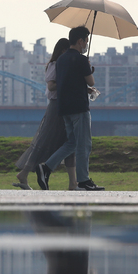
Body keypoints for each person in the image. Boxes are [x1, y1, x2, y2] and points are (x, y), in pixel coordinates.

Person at [35, 26, 105, 191]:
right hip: (79, 107)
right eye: (86, 41)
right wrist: (87, 67)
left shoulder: (61, 59)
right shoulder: (80, 60)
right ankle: (83, 181)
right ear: (80, 41)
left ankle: (46, 167)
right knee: (84, 144)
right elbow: (91, 82)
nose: (86, 44)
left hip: (64, 107)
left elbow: (69, 81)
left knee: (72, 143)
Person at [12, 38, 81, 191]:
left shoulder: (64, 65)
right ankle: (23, 173)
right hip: (56, 107)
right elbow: (51, 86)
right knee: (44, 142)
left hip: (65, 106)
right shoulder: (55, 65)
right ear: (63, 51)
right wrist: (69, 80)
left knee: (70, 144)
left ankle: (72, 183)